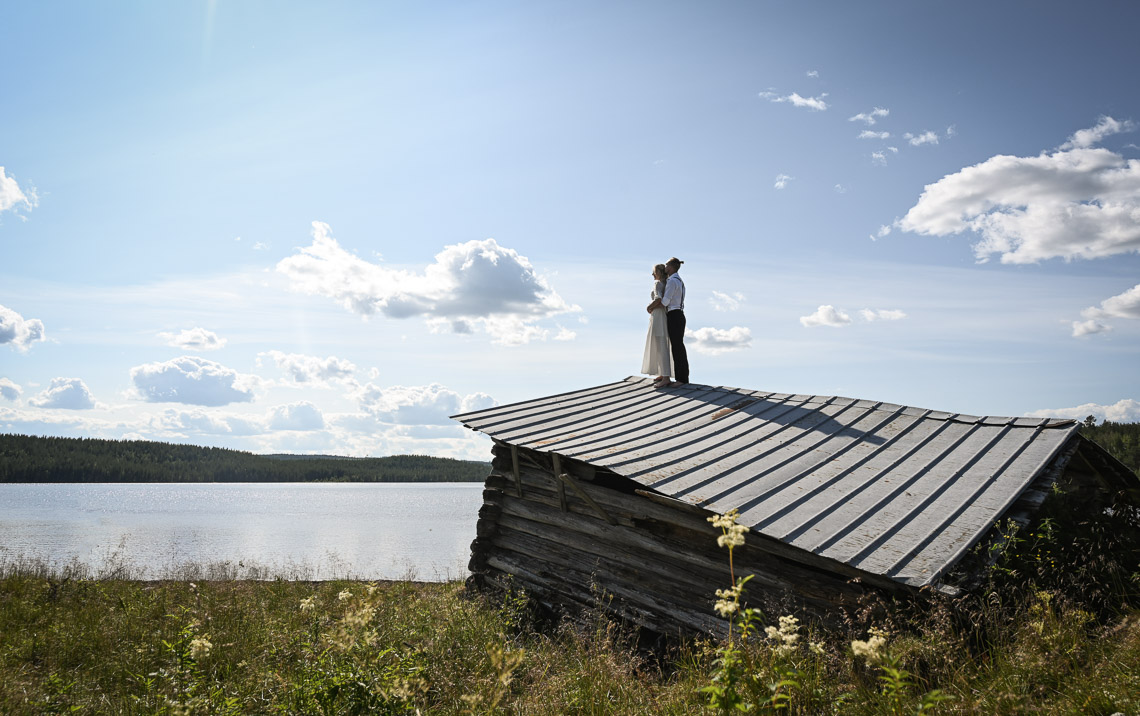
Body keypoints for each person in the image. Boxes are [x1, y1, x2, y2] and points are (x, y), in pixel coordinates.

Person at [646, 257, 688, 387]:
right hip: (678, 314)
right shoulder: (679, 281)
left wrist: (650, 307)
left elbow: (664, 302)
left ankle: (681, 379)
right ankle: (677, 376)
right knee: (677, 346)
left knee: (676, 347)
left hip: (674, 314)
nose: (665, 268)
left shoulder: (671, 282)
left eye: (666, 265)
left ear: (670, 267)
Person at [641, 263, 672, 387]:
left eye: (654, 272)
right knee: (661, 344)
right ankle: (663, 372)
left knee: (660, 344)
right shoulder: (666, 283)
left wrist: (649, 307)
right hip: (663, 315)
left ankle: (666, 377)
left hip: (658, 316)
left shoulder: (658, 284)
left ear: (658, 273)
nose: (652, 274)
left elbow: (658, 298)